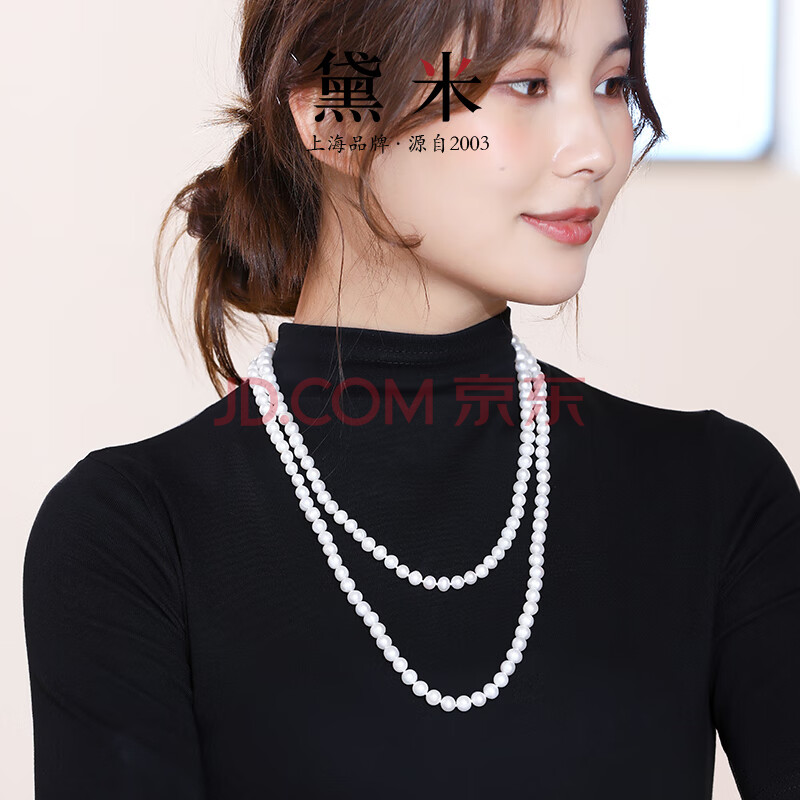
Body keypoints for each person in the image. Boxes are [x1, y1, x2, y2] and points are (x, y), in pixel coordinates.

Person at [22, 0, 800, 797]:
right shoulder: (134, 537)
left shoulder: (716, 496)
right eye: (528, 84)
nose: (597, 149)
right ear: (334, 115)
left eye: (611, 83)